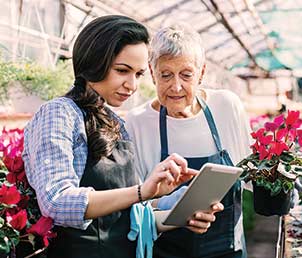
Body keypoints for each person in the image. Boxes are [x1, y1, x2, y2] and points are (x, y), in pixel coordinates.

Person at [22, 15, 223, 258]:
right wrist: (141, 191)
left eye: (138, 74)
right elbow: (56, 201)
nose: (132, 85)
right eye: (122, 71)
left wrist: (178, 205)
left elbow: (132, 217)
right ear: (94, 62)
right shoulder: (60, 113)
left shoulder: (115, 121)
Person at [125, 23, 252, 258]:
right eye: (165, 75)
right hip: (166, 251)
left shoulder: (226, 106)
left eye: (186, 75)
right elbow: (134, 206)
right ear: (152, 74)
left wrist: (278, 177)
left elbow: (251, 177)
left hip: (228, 250)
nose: (176, 86)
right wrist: (169, 209)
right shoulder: (137, 123)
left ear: (201, 73)